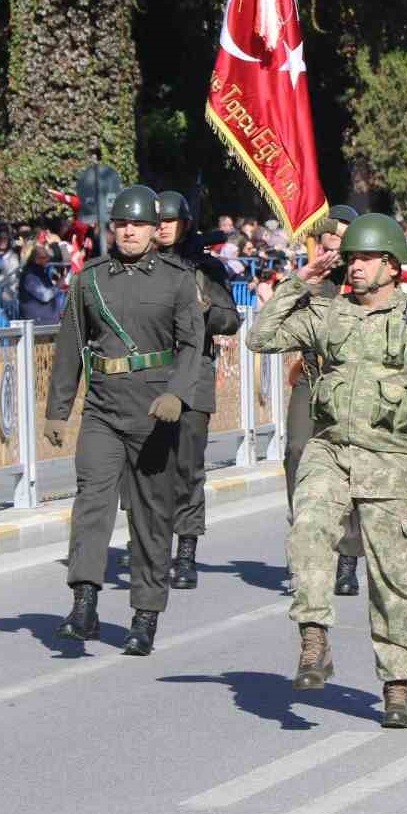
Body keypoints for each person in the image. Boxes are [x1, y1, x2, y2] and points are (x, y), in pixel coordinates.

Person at [247, 212, 407, 729]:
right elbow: (261, 337)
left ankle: (396, 683)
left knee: (391, 576)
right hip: (330, 451)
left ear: (392, 265)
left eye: (366, 258)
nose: (356, 266)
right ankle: (314, 638)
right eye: (352, 258)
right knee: (307, 528)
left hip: (392, 460)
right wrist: (301, 280)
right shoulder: (329, 313)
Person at [45, 186, 204, 656]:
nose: (129, 231)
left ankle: (145, 614)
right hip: (102, 408)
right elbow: (70, 345)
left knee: (151, 515)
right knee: (91, 501)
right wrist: (58, 409)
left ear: (156, 231)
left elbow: (191, 345)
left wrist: (178, 393)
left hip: (155, 412)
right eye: (122, 223)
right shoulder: (90, 279)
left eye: (139, 224)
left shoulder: (177, 280)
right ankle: (84, 603)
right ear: (111, 227)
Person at [154, 191, 241, 589]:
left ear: (184, 224)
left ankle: (185, 549)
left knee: (187, 466)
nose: (161, 228)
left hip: (194, 373)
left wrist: (202, 304)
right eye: (156, 221)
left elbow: (230, 320)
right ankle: (152, 546)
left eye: (169, 221)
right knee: (148, 466)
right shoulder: (139, 267)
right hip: (149, 374)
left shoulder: (204, 267)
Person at [283, 204, 367, 595]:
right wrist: (303, 281)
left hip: (352, 383)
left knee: (350, 464)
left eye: (341, 233)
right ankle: (307, 542)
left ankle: (347, 556)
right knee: (297, 450)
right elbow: (279, 315)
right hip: (312, 378)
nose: (333, 240)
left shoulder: (363, 277)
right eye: (327, 234)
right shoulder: (312, 277)